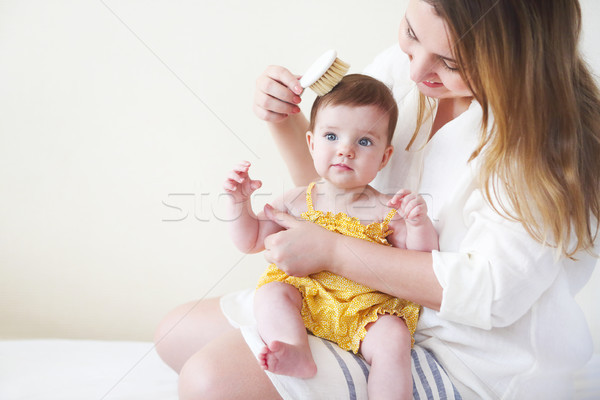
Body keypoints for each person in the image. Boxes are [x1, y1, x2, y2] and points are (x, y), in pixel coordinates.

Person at [155, 0, 600, 399]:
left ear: (516, 60)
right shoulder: (401, 75)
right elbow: (333, 196)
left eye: (448, 61)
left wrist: (334, 251)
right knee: (174, 333)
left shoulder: (539, 148)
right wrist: (284, 122)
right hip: (347, 296)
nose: (414, 70)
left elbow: (492, 294)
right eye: (411, 33)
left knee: (208, 382)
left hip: (457, 351)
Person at [223, 74, 439, 399]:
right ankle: (295, 349)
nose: (346, 150)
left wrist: (419, 223)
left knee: (393, 337)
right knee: (270, 294)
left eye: (364, 142)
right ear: (311, 143)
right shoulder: (297, 201)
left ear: (384, 156)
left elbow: (423, 260)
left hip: (366, 309)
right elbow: (251, 240)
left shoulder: (385, 209)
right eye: (332, 136)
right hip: (306, 296)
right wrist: (239, 203)